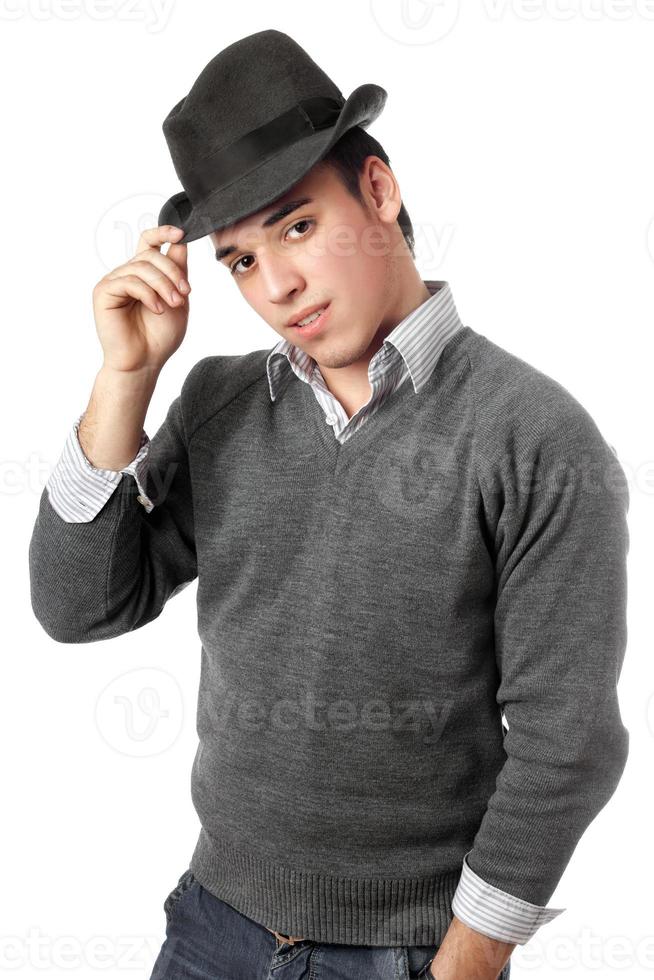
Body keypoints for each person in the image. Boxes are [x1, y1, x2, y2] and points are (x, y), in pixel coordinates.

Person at [28, 30, 630, 980]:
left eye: (299, 227)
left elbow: (569, 741)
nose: (277, 288)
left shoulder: (533, 434)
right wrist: (127, 378)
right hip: (210, 926)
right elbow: (78, 606)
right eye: (238, 260)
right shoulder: (221, 404)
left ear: (379, 193)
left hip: (410, 952)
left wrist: (467, 963)